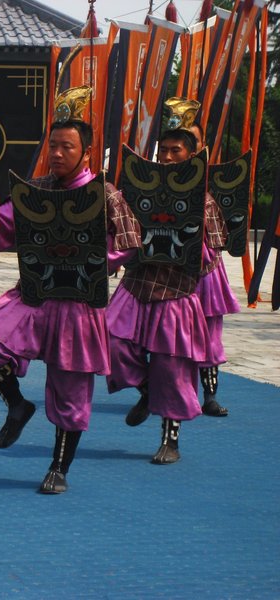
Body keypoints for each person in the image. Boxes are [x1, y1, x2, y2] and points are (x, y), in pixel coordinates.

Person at [0, 86, 141, 493]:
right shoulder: (35, 190)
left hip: (80, 303)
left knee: (70, 390)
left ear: (86, 153)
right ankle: (16, 402)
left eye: (67, 146)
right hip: (33, 293)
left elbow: (130, 241)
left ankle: (58, 466)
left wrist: (102, 261)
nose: (58, 154)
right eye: (54, 146)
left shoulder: (106, 194)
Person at [107, 97, 227, 464]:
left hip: (176, 292)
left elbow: (212, 254)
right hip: (137, 284)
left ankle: (170, 440)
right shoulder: (135, 195)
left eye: (176, 150)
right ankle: (145, 388)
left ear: (193, 156)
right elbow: (120, 235)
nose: (168, 157)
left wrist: (187, 244)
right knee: (109, 341)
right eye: (165, 150)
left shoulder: (203, 202)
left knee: (172, 367)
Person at [190, 120, 238, 416]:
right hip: (166, 275)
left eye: (192, 144)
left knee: (209, 336)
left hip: (206, 275)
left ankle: (209, 395)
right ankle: (156, 389)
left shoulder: (212, 183)